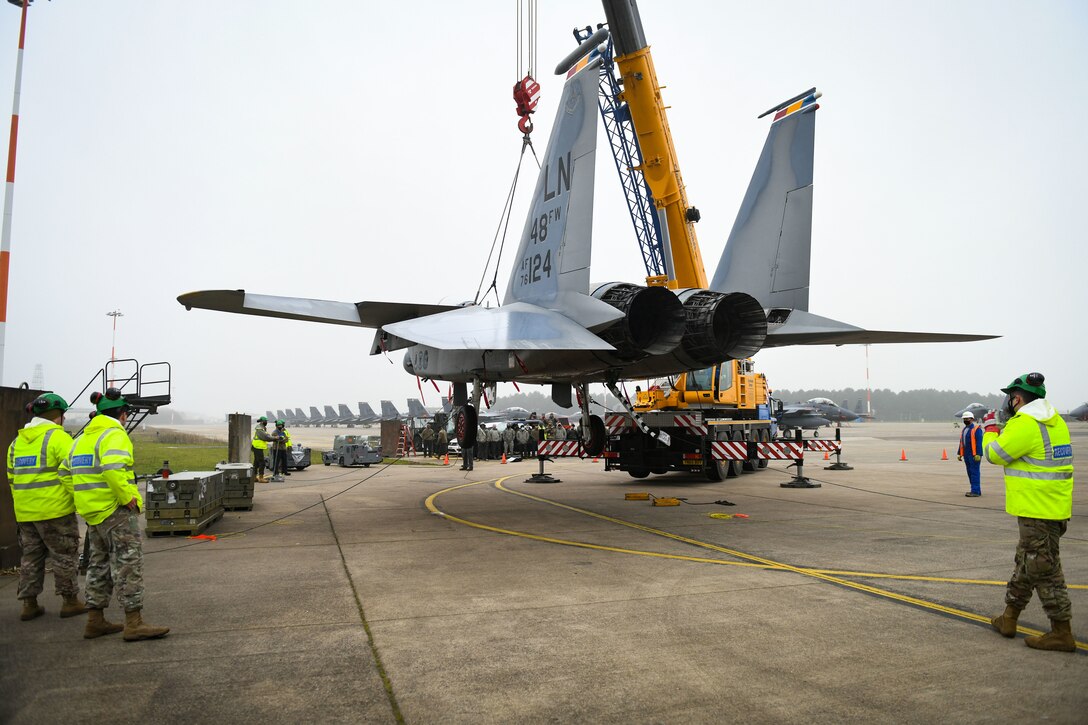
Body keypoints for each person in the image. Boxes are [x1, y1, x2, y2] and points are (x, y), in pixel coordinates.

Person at [62, 388, 168, 641]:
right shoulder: (114, 434)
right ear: (122, 414)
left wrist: (82, 496)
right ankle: (134, 622)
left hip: (92, 512)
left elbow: (64, 472)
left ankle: (95, 620)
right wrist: (127, 498)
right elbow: (112, 469)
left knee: (98, 565)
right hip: (115, 511)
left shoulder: (81, 439)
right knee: (128, 565)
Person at [982, 372, 1075, 652]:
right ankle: (1009, 618)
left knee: (1045, 572)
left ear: (1017, 398)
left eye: (1010, 398)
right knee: (1026, 564)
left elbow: (994, 454)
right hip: (1054, 507)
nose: (1008, 403)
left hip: (1037, 510)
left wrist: (990, 429)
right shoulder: (1055, 421)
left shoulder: (1025, 424)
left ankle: (1062, 632)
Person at [7, 393, 85, 621]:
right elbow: (74, 472)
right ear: (59, 416)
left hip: (25, 513)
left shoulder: (16, 443)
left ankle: (29, 604)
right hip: (55, 511)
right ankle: (70, 601)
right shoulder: (58, 439)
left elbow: (12, 477)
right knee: (64, 556)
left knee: (31, 557)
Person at [957, 411, 984, 497]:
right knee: (969, 472)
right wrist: (959, 453)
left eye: (967, 419)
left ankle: (975, 491)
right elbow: (962, 442)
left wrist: (978, 454)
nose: (965, 420)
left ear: (972, 419)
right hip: (966, 454)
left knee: (974, 472)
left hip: (974, 455)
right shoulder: (964, 429)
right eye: (964, 419)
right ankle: (975, 490)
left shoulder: (977, 429)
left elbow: (979, 442)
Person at [252, 416, 274, 483]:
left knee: (256, 462)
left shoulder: (262, 428)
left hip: (257, 447)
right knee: (262, 462)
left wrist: (273, 437)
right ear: (262, 421)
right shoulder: (260, 429)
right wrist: (275, 438)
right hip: (257, 447)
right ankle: (261, 478)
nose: (266, 422)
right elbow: (266, 437)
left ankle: (254, 477)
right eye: (265, 421)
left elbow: (268, 436)